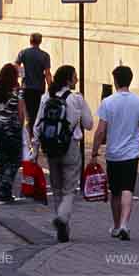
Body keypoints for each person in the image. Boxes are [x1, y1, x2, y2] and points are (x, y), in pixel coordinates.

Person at [32, 63, 93, 242]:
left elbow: (38, 124)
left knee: (57, 188)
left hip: (51, 147)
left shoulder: (46, 97)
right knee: (69, 189)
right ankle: (62, 218)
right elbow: (89, 123)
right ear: (68, 79)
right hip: (71, 146)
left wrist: (35, 149)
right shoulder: (76, 98)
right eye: (75, 76)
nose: (77, 79)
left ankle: (62, 229)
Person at [91, 64, 139, 241]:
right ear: (130, 80)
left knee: (115, 191)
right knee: (128, 188)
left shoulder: (108, 102)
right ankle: (125, 224)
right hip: (131, 153)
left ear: (115, 81)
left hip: (113, 153)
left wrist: (94, 153)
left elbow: (100, 131)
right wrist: (134, 126)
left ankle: (116, 226)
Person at [0, 62, 27, 202]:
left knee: (1, 162)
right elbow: (21, 113)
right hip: (12, 130)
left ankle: (2, 191)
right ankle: (6, 187)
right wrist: (19, 127)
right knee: (15, 161)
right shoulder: (17, 91)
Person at [15, 32, 51, 130]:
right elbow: (47, 73)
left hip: (26, 87)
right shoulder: (45, 56)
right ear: (40, 41)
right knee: (37, 112)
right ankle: (34, 134)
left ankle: (30, 135)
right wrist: (51, 88)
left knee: (28, 113)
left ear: (30, 41)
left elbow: (16, 66)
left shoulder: (23, 53)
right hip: (39, 88)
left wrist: (23, 76)